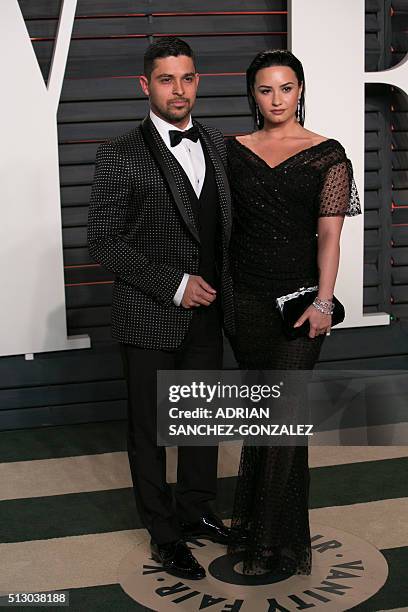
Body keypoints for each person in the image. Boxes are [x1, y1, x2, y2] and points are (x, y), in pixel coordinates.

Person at [87, 37, 234, 581]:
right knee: (149, 429)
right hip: (150, 312)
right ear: (145, 86)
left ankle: (197, 508)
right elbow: (104, 240)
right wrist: (174, 285)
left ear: (198, 82)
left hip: (210, 314)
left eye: (188, 78)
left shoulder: (219, 145)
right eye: (167, 79)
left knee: (201, 418)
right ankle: (164, 532)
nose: (179, 89)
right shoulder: (119, 152)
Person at [225, 50, 361, 576]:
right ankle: (279, 534)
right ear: (252, 95)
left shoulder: (327, 154)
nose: (277, 99)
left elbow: (330, 235)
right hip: (245, 301)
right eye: (266, 89)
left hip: (302, 304)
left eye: (286, 88)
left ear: (300, 90)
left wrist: (325, 301)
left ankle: (263, 546)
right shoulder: (232, 152)